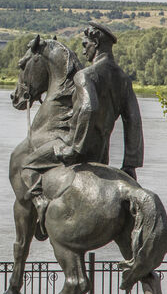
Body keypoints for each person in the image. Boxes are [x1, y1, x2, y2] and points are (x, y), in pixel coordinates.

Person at [28, 22, 143, 240]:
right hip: (103, 155)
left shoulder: (85, 76)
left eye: (85, 44)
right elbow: (134, 121)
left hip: (79, 150)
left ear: (96, 43)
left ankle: (41, 211)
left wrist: (75, 148)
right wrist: (130, 165)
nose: (82, 50)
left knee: (28, 164)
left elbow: (90, 107)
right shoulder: (123, 80)